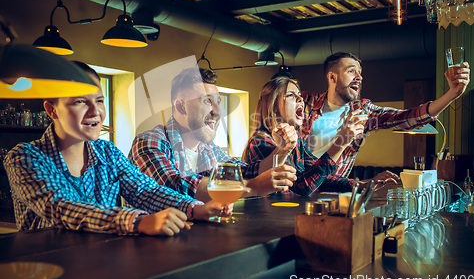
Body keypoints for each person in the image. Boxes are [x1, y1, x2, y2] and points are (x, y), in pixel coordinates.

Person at [4, 61, 224, 236]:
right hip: (50, 274)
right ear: (52, 110)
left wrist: (194, 208)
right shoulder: (24, 157)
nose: (95, 111)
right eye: (80, 101)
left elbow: (145, 191)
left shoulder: (107, 152)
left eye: (99, 100)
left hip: (105, 267)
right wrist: (137, 221)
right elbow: (61, 207)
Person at [128, 66, 297, 202]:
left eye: (218, 102)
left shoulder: (208, 149)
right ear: (181, 106)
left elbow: (248, 173)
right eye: (207, 101)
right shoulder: (149, 142)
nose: (217, 112)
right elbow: (173, 187)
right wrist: (251, 187)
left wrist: (282, 150)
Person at [301, 52, 470, 186]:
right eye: (351, 71)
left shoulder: (363, 113)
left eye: (360, 73)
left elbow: (407, 117)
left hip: (330, 194)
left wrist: (452, 95)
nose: (359, 77)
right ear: (333, 77)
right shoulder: (302, 103)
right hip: (295, 187)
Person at [242, 76, 359, 195]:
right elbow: (301, 186)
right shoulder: (260, 142)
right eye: (290, 95)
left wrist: (360, 185)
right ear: (273, 105)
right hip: (269, 213)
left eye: (299, 94)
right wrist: (341, 144)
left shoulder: (298, 140)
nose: (300, 99)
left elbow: (318, 176)